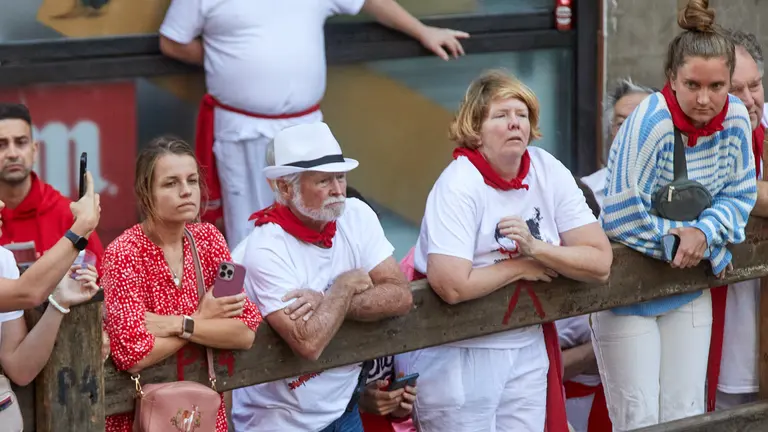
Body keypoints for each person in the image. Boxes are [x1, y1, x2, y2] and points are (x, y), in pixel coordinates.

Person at [397, 69, 612, 432]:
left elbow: (600, 261)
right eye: (501, 115)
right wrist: (518, 267)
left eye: (522, 115)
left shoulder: (547, 169)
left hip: (526, 341)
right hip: (460, 349)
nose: (515, 124)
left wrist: (538, 250)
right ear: (475, 130)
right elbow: (450, 284)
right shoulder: (458, 183)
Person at [159, 0, 470, 247]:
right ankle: (248, 314)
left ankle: (311, 299)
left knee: (317, 214)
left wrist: (422, 31)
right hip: (243, 129)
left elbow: (370, 1)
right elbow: (172, 41)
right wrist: (222, 59)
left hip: (307, 128)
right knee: (247, 227)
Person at [594, 1, 758, 429]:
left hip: (688, 285)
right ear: (671, 78)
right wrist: (678, 240)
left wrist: (705, 233)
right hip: (628, 294)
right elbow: (621, 212)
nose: (705, 99)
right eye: (693, 85)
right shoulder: (650, 122)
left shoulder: (737, 118)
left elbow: (738, 193)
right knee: (638, 418)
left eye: (717, 86)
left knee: (687, 413)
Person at [232, 122, 413, 432]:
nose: (338, 190)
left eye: (340, 176)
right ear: (285, 188)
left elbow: (400, 295)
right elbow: (309, 342)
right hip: (277, 422)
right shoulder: (263, 249)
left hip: (343, 408)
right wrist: (342, 287)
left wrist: (329, 304)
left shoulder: (356, 215)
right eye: (323, 180)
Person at [101, 137, 261, 432]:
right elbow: (134, 356)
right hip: (142, 416)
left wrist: (176, 325)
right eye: (170, 183)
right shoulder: (123, 253)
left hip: (203, 413)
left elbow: (244, 331)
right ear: (145, 192)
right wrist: (202, 320)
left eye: (192, 180)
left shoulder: (210, 239)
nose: (186, 191)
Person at [711, 28, 768, 411]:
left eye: (756, 85)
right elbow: (727, 185)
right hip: (721, 333)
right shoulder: (697, 144)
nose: (750, 100)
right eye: (736, 90)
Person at [0, 103, 105, 268]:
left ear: (34, 150)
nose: (12, 154)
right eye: (1, 145)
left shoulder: (67, 215)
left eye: (21, 142)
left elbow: (100, 284)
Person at [0, 240, 100, 385]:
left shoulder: (3, 259)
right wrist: (83, 225)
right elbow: (30, 294)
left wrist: (60, 301)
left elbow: (20, 369)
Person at [581, 79, 656, 209]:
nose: (630, 132)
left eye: (643, 123)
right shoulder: (584, 192)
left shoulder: (685, 191)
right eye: (621, 124)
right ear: (611, 133)